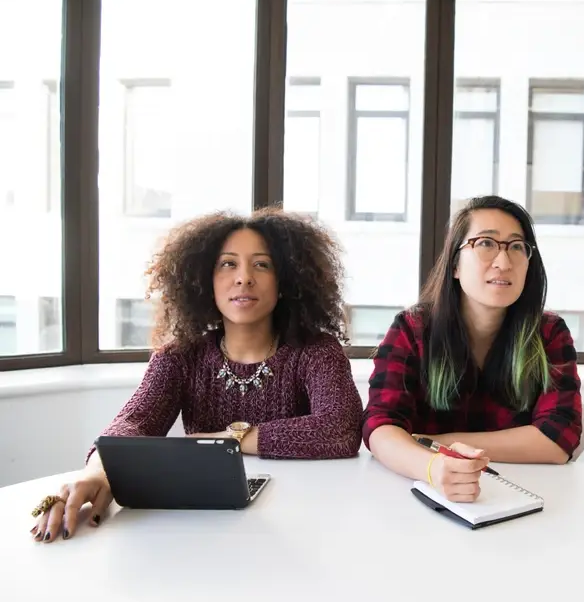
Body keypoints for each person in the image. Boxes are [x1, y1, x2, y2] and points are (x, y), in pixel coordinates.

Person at [30, 207, 363, 543]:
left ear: (285, 282)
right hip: (203, 525)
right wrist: (97, 474)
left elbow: (341, 428)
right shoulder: (180, 357)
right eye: (227, 264)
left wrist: (226, 440)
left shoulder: (317, 351)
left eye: (262, 264)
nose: (244, 277)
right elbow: (134, 423)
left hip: (300, 521)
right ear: (205, 280)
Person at [363, 195, 582, 503]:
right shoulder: (412, 329)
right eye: (485, 244)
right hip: (420, 496)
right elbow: (380, 427)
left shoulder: (547, 333)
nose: (503, 263)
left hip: (519, 498)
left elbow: (558, 439)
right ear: (454, 263)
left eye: (517, 247)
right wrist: (433, 468)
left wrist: (443, 443)